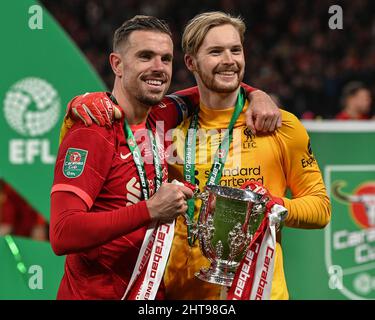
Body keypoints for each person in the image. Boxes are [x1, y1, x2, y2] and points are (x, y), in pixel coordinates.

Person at [63, 12, 331, 300]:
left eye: (235, 50)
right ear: (191, 62)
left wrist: (268, 207)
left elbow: (321, 208)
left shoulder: (279, 125)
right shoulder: (165, 124)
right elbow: (116, 117)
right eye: (216, 52)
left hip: (257, 293)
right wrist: (81, 102)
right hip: (177, 294)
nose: (229, 60)